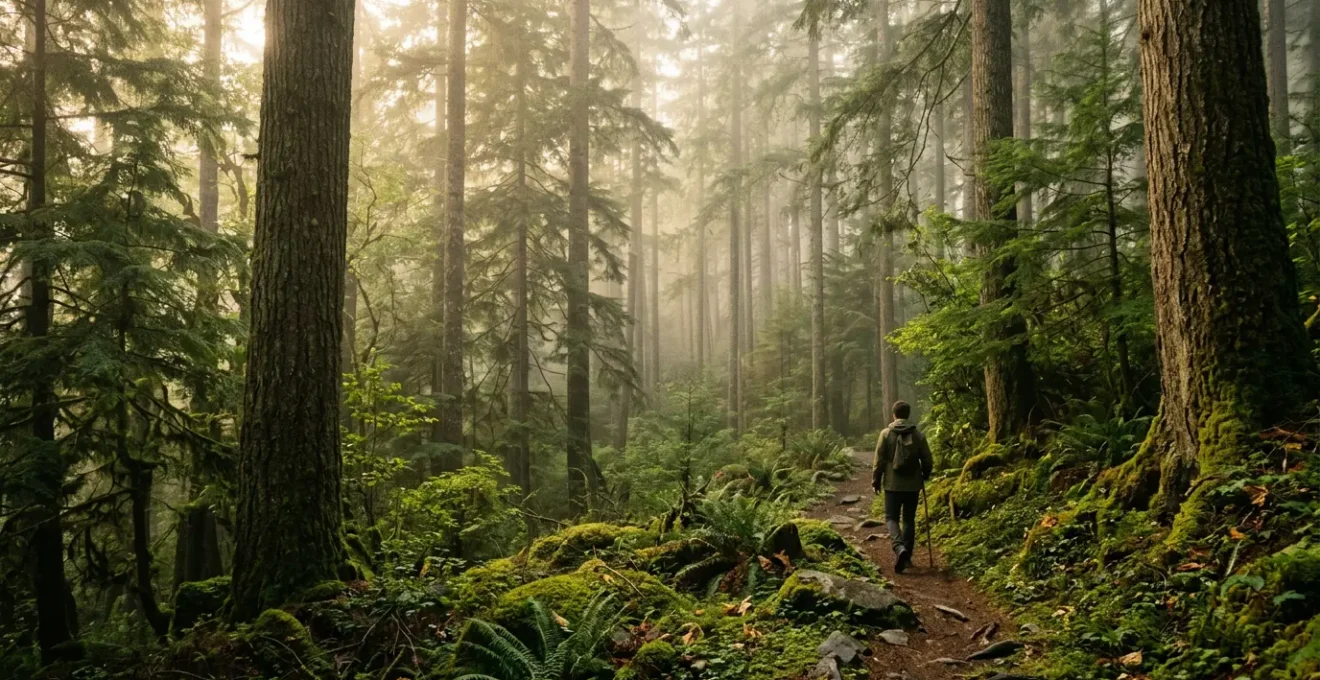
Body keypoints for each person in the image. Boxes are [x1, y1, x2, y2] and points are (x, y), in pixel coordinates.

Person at [871, 401, 933, 573]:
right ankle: (907, 558)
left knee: (891, 518)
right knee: (908, 519)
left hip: (892, 484)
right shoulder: (918, 435)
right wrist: (925, 475)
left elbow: (879, 461)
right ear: (908, 415)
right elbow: (927, 460)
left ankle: (899, 548)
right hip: (912, 484)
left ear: (894, 415)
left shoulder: (885, 434)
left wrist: (876, 480)